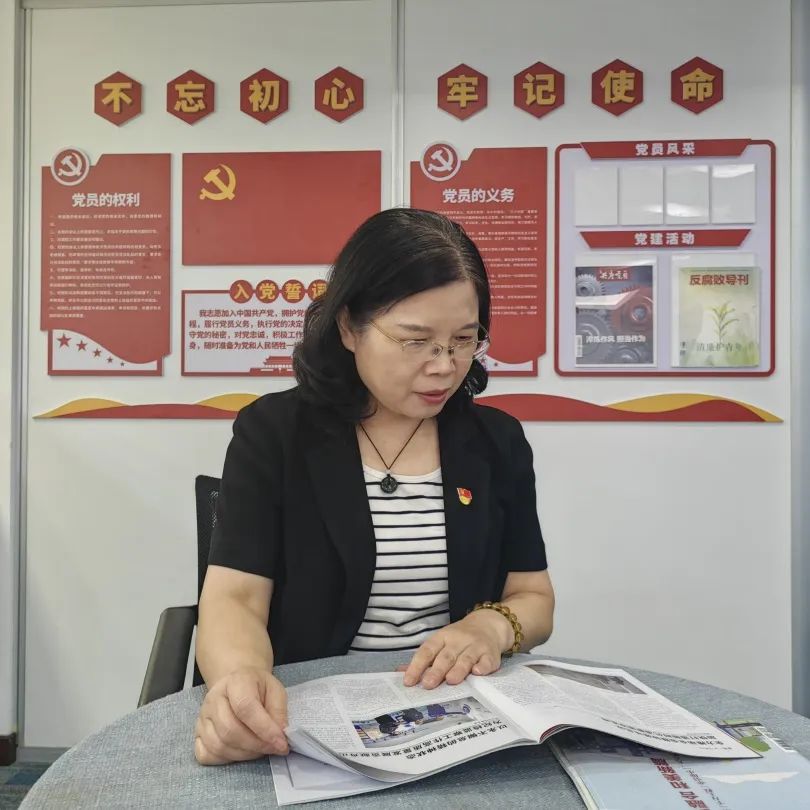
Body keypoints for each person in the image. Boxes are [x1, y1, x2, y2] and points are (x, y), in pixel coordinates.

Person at [193, 208, 555, 766]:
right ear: (348, 327)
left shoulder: (496, 442)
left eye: (463, 340)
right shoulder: (275, 433)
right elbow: (234, 598)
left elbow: (533, 598)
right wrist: (241, 680)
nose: (444, 366)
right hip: (311, 720)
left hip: (454, 716)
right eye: (416, 341)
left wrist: (491, 627)